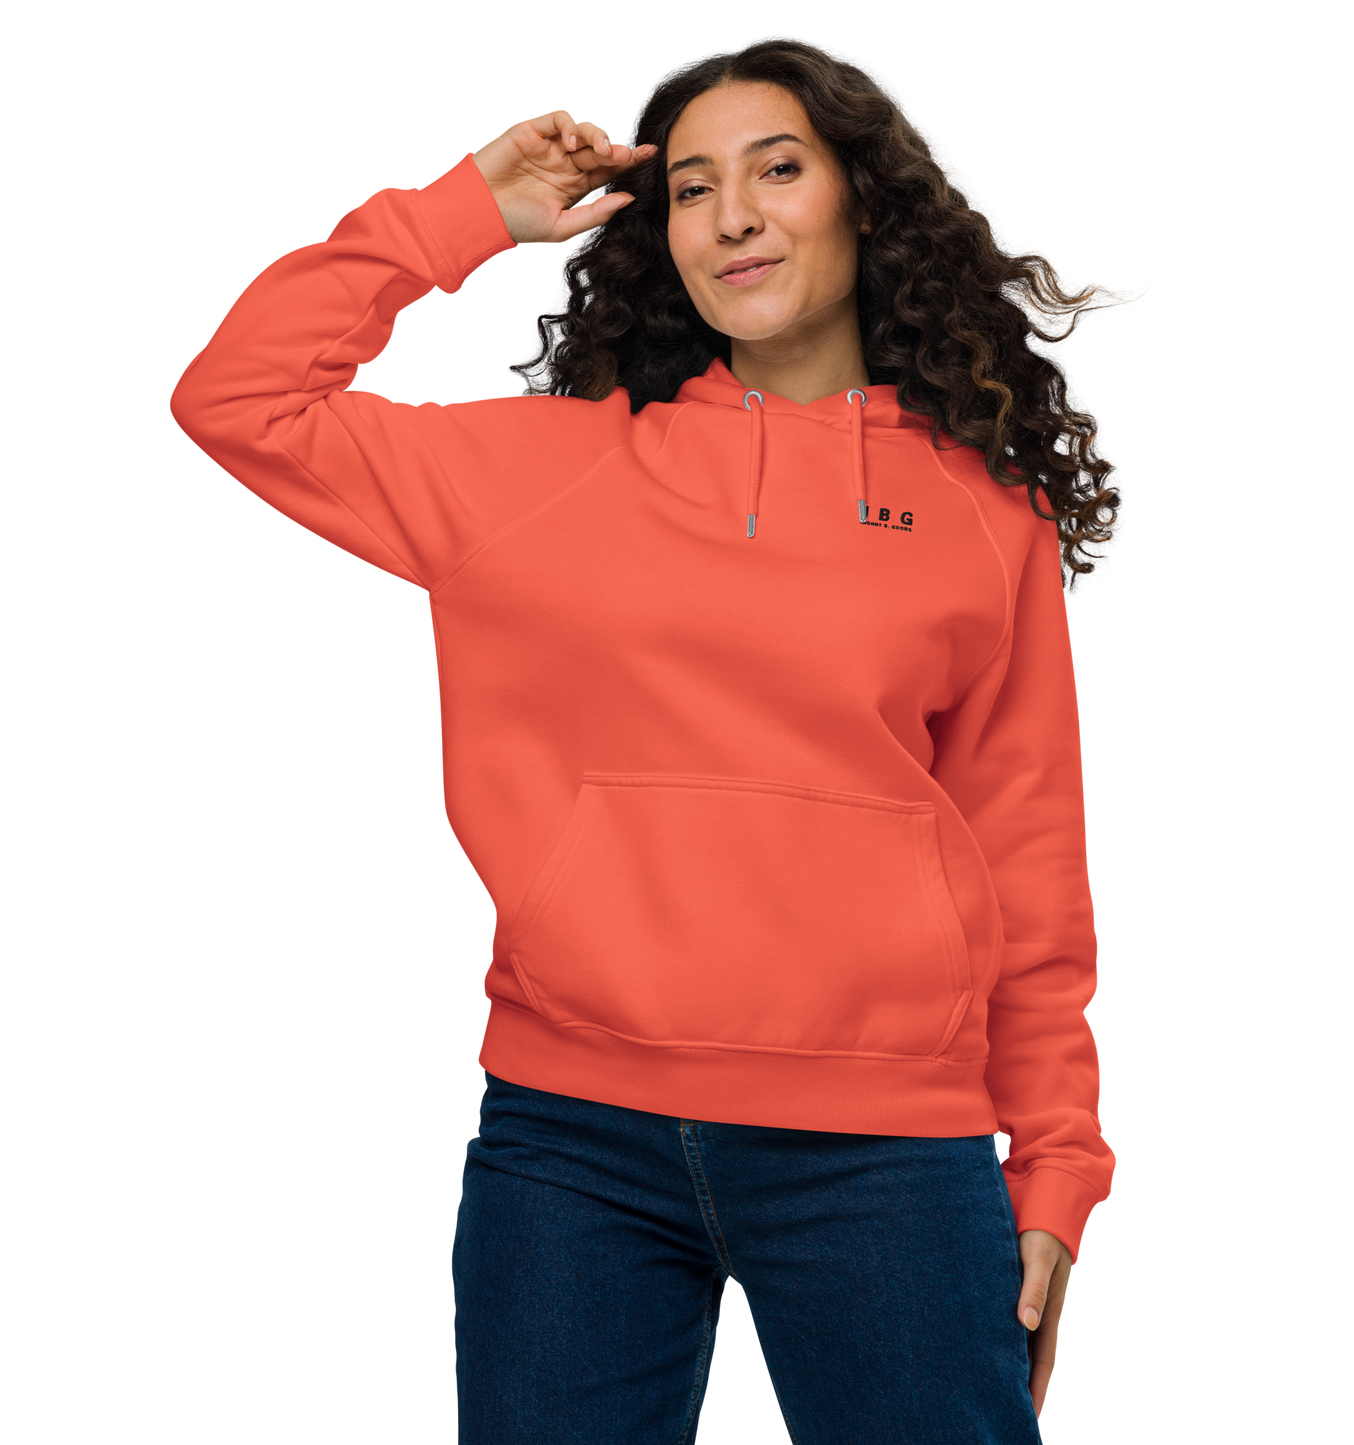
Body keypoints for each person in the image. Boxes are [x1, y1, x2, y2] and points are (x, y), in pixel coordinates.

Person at [168, 29, 1146, 1445]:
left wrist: (1056, 1161)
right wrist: (465, 211)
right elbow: (235, 396)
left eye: (778, 170)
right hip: (567, 1137)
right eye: (692, 187)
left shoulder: (986, 513)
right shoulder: (540, 469)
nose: (732, 215)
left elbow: (1030, 855)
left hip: (887, 1148)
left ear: (866, 201)